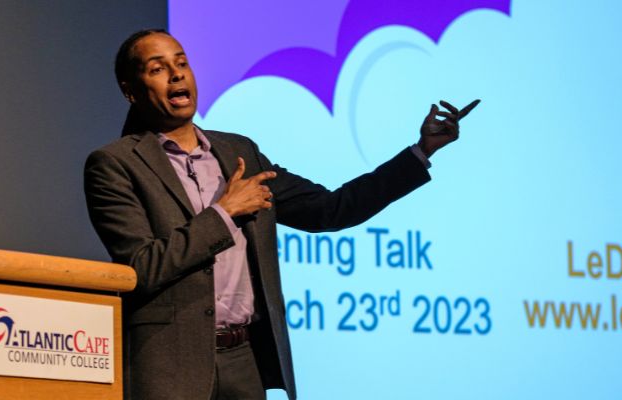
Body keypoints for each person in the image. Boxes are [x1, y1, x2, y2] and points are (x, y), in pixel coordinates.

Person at [84, 28, 479, 400]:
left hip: (245, 361)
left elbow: (329, 209)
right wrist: (225, 213)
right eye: (157, 69)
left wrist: (421, 152)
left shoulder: (240, 153)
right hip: (170, 367)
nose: (175, 76)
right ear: (130, 91)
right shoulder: (116, 164)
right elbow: (142, 266)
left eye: (181, 63)